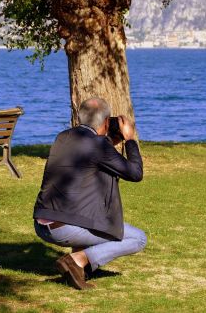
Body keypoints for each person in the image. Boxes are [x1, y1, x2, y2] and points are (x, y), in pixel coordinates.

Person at [33, 97, 147, 290]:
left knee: (86, 208)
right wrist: (129, 139)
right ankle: (77, 260)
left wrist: (109, 140)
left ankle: (80, 269)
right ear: (105, 122)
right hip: (64, 228)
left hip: (42, 223)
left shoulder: (63, 137)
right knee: (138, 239)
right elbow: (135, 173)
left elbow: (93, 159)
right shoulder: (98, 146)